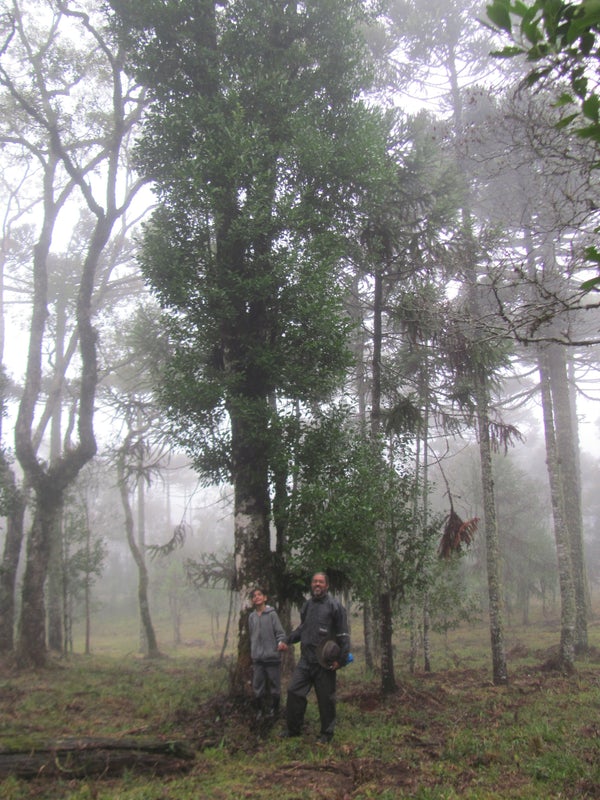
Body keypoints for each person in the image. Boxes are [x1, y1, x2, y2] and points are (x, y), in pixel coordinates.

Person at [281, 572, 350, 744]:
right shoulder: (307, 605)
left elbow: (343, 636)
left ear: (327, 586)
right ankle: (293, 730)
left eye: (321, 582)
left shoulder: (335, 606)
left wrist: (339, 661)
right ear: (311, 585)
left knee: (326, 699)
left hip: (324, 662)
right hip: (306, 660)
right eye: (314, 582)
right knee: (293, 691)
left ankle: (326, 734)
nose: (317, 584)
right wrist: (287, 640)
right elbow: (302, 629)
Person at [248, 587, 288, 721]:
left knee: (275, 686)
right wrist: (253, 652)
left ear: (265, 598)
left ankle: (274, 710)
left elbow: (280, 632)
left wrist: (280, 643)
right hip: (257, 659)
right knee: (257, 686)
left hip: (272, 658)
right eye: (254, 596)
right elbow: (251, 635)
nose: (257, 597)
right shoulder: (252, 617)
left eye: (259, 595)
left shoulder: (271, 614)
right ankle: (259, 711)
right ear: (252, 600)